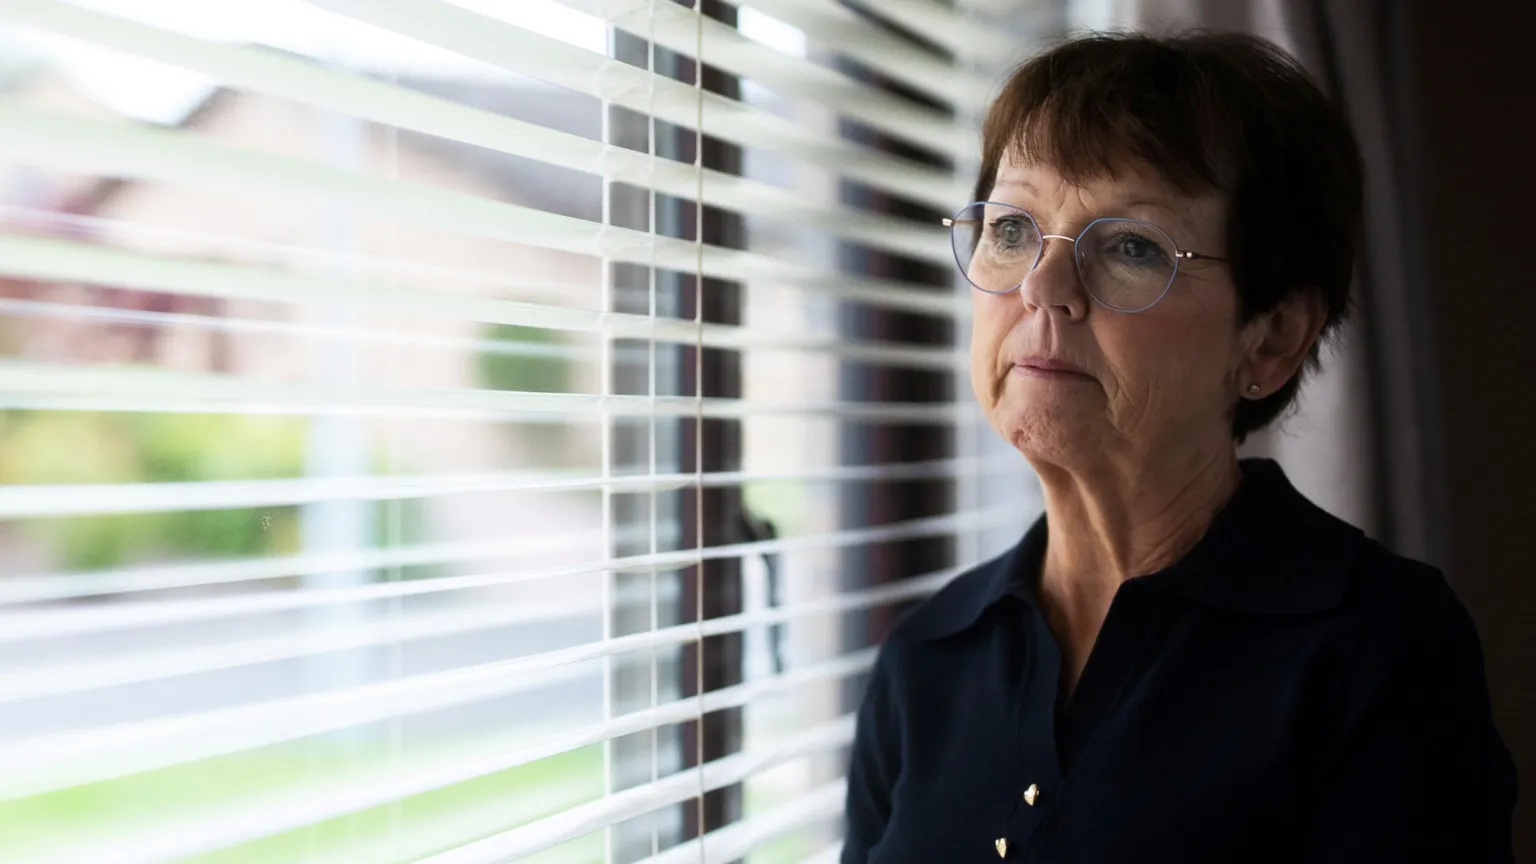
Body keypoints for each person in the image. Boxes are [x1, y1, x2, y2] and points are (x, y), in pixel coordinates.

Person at [841, 31, 1516, 864]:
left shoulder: (1379, 648)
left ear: (1270, 340)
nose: (1043, 288)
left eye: (1130, 247)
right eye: (1013, 228)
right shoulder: (925, 661)